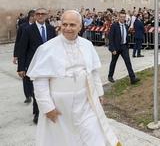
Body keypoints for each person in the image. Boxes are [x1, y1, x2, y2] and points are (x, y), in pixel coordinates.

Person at [26, 10, 121, 146]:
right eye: (64, 24)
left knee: (93, 134)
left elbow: (93, 72)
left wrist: (99, 93)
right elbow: (40, 81)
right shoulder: (47, 48)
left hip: (85, 102)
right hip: (59, 106)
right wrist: (47, 107)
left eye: (72, 25)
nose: (68, 28)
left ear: (80, 27)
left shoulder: (87, 45)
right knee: (64, 140)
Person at [17, 8, 57, 124]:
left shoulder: (50, 29)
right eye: (38, 14)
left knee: (48, 89)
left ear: (46, 16)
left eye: (42, 14)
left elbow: (55, 47)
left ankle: (47, 110)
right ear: (34, 16)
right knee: (36, 90)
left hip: (49, 65)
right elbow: (22, 48)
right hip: (34, 65)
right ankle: (37, 113)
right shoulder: (28, 30)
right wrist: (20, 67)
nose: (40, 16)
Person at [108, 10, 140, 84]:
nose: (122, 18)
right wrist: (112, 49)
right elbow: (111, 38)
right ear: (118, 17)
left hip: (124, 47)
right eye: (121, 17)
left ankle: (132, 78)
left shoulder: (125, 26)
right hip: (116, 48)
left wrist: (127, 45)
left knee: (128, 62)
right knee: (113, 62)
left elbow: (126, 35)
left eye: (124, 17)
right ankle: (110, 76)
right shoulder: (114, 26)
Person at [13, 9, 35, 103]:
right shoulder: (23, 27)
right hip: (24, 55)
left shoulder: (38, 27)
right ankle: (28, 95)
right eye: (36, 16)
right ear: (31, 17)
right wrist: (15, 55)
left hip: (34, 55)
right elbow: (18, 41)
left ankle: (34, 94)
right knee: (25, 77)